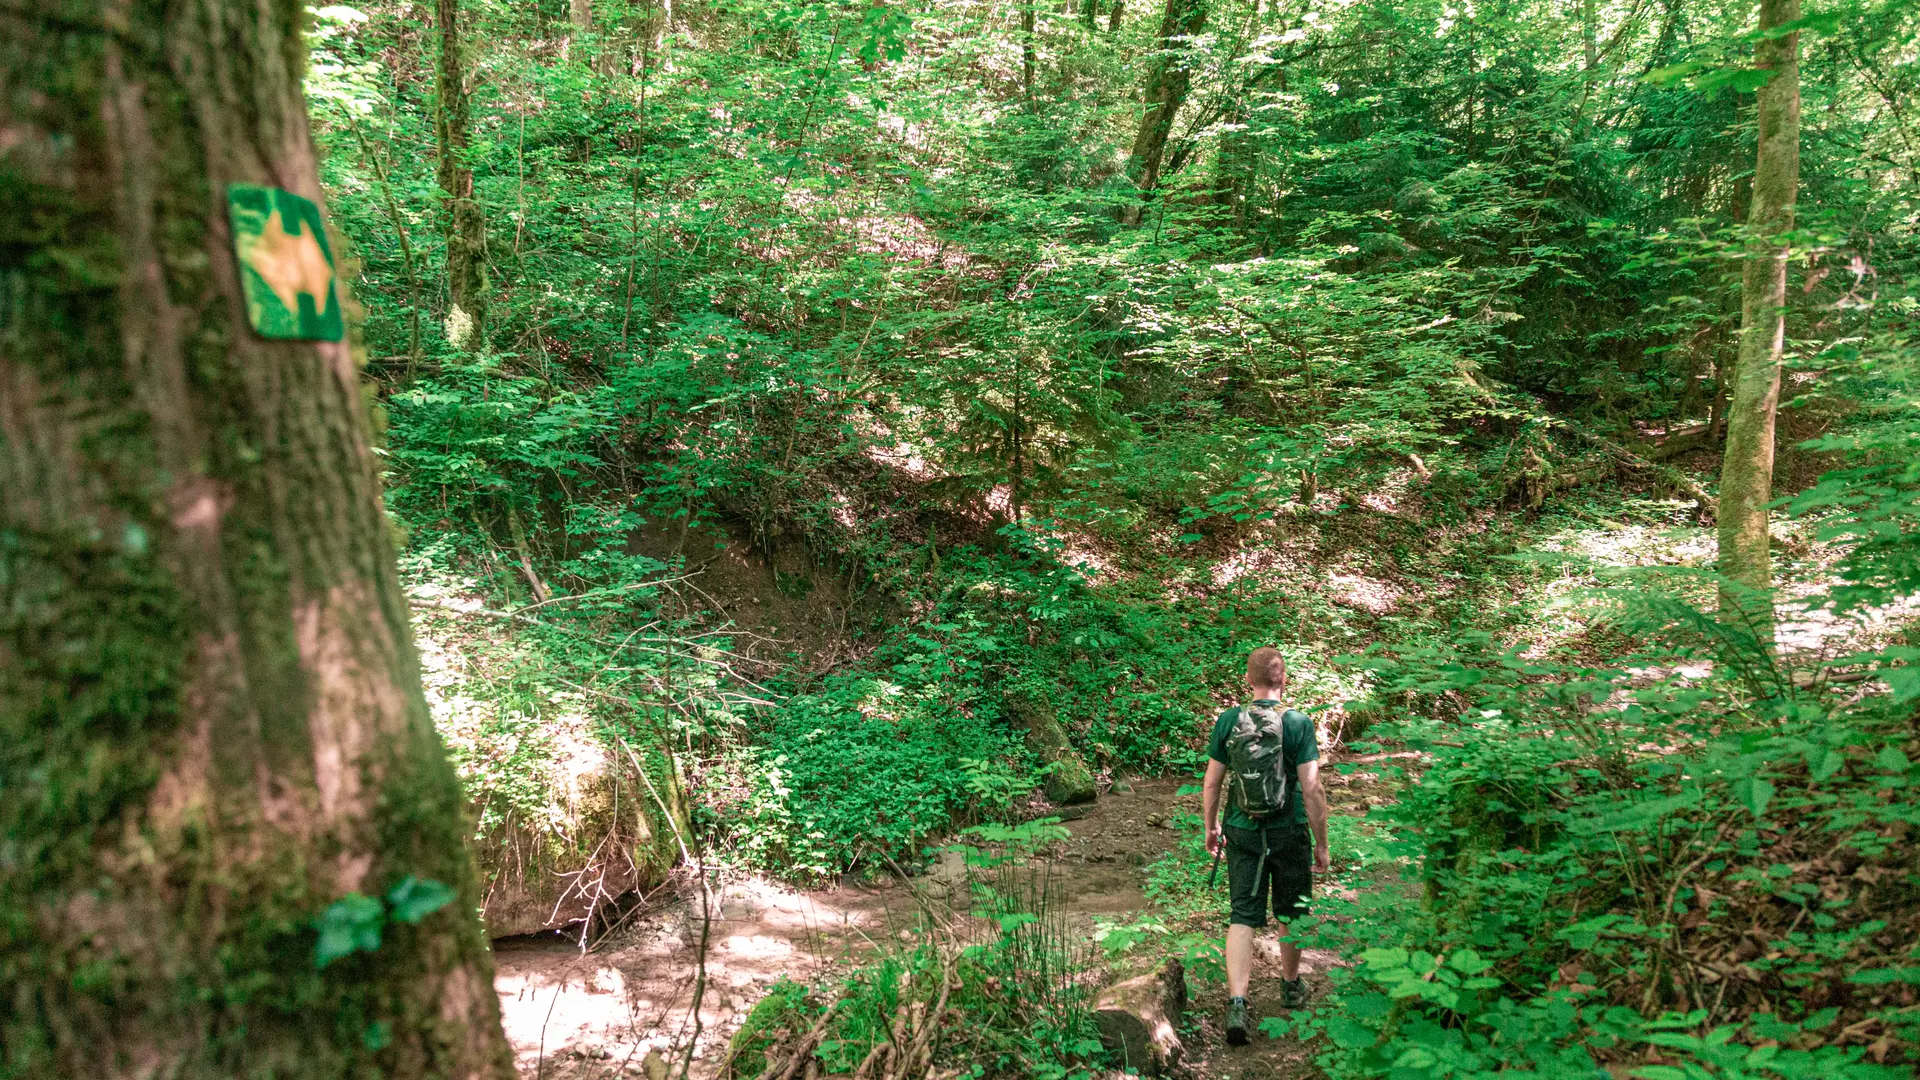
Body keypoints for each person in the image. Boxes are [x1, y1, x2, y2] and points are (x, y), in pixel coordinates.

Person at [1202, 646, 1330, 1046]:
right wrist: (1322, 843)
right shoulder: (1297, 723)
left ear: (1248, 680)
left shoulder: (1228, 721)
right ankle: (1290, 987)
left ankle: (1237, 1002)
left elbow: (1212, 783)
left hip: (1242, 829)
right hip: (1289, 829)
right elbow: (1312, 788)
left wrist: (1211, 826)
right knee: (1291, 909)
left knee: (1242, 913)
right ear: (1283, 679)